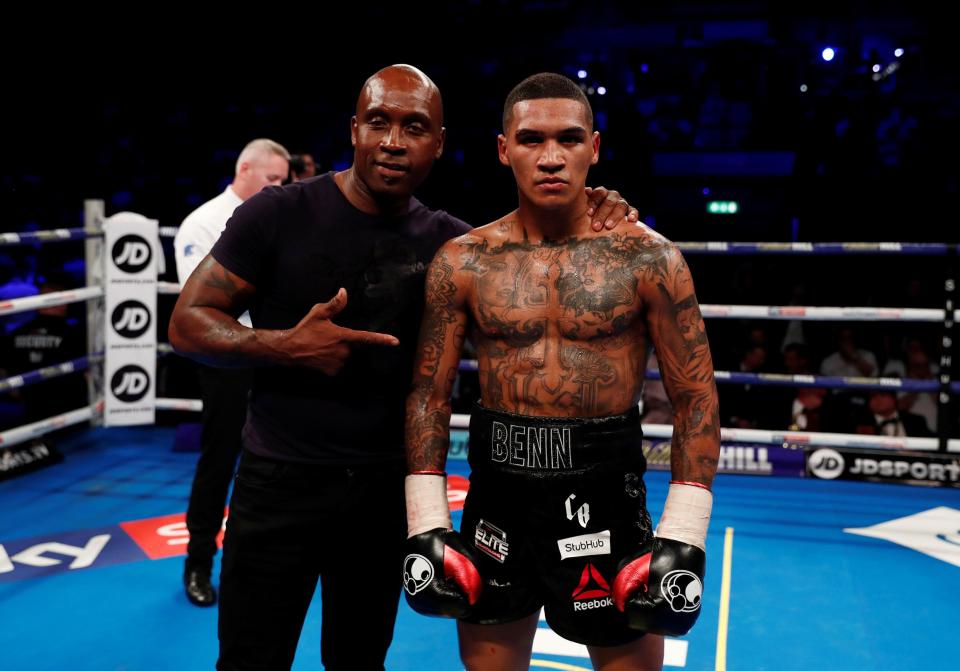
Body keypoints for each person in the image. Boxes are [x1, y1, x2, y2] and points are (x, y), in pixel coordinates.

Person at [168, 64, 639, 670]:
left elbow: (547, 278)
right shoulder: (277, 214)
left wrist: (600, 209)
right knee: (250, 659)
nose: (393, 140)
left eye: (414, 126)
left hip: (384, 494)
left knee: (360, 660)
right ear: (355, 130)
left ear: (437, 143)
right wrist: (283, 344)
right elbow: (187, 323)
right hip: (279, 482)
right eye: (378, 122)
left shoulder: (451, 248)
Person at [402, 73, 720, 671]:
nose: (551, 157)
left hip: (605, 489)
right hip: (497, 494)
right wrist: (425, 520)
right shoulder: (463, 261)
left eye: (569, 139)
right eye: (531, 139)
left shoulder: (651, 259)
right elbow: (429, 393)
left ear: (594, 148)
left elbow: (695, 396)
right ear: (504, 149)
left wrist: (685, 532)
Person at [173, 138, 290, 607]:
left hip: (277, 354)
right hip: (226, 362)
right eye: (273, 179)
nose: (279, 188)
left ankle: (275, 565)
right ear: (245, 168)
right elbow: (198, 306)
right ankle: (198, 563)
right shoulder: (202, 223)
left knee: (284, 461)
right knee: (219, 461)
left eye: (284, 181)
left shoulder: (282, 218)